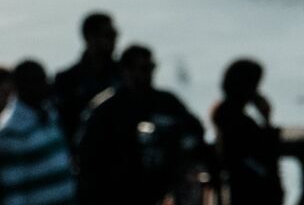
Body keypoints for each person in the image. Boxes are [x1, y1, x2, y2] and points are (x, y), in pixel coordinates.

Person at [72, 46, 206, 205]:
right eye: (143, 68)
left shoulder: (167, 102)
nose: (148, 74)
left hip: (163, 193)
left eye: (151, 67)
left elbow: (195, 132)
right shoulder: (105, 110)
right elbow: (87, 159)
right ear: (125, 70)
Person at [1, 61, 79, 205]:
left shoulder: (50, 114)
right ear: (21, 86)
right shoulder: (12, 132)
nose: (45, 86)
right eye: (37, 81)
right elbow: (13, 189)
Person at [209, 60, 282, 205]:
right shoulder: (237, 120)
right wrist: (267, 121)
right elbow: (262, 152)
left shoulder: (227, 115)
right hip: (250, 191)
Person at [50, 14, 119, 152]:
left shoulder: (124, 76)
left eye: (114, 35)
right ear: (89, 37)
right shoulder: (66, 80)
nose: (114, 40)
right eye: (108, 35)